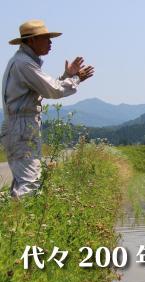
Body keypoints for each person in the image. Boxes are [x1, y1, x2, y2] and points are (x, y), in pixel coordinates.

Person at [1, 19, 94, 198]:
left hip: (20, 126)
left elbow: (45, 88)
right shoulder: (24, 64)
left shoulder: (23, 62)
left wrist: (68, 75)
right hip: (21, 127)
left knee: (24, 180)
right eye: (46, 38)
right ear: (31, 41)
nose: (50, 43)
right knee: (29, 183)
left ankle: (18, 220)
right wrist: (76, 79)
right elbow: (53, 90)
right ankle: (24, 223)